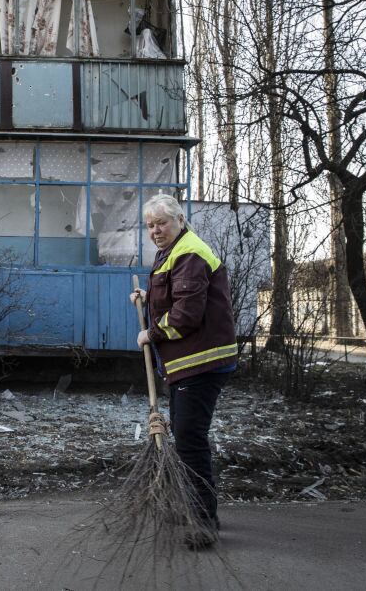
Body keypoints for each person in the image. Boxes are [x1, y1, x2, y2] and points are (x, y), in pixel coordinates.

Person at [129, 194, 237, 546]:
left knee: (190, 441)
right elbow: (175, 296)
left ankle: (204, 521)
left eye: (161, 223)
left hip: (201, 362)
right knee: (188, 438)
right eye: (150, 225)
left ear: (179, 219)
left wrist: (151, 332)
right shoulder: (173, 252)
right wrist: (147, 299)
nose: (155, 230)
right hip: (186, 365)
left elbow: (186, 315)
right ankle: (194, 505)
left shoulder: (189, 252)